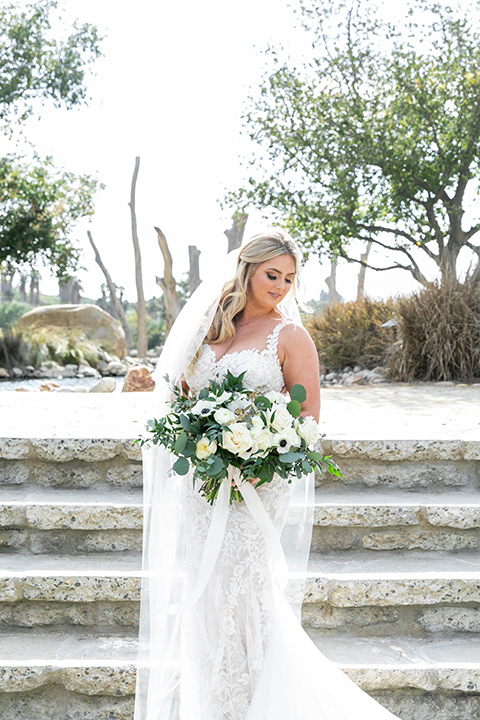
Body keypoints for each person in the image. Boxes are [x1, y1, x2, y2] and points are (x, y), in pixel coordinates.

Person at [135, 230, 401, 720]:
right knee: (209, 595)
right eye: (271, 275)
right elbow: (179, 399)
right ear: (247, 272)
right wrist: (197, 437)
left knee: (246, 590)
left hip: (259, 486)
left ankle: (259, 704)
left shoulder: (291, 335)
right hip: (206, 483)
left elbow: (309, 421)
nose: (280, 286)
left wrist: (262, 462)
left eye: (289, 278)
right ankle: (217, 706)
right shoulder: (209, 329)